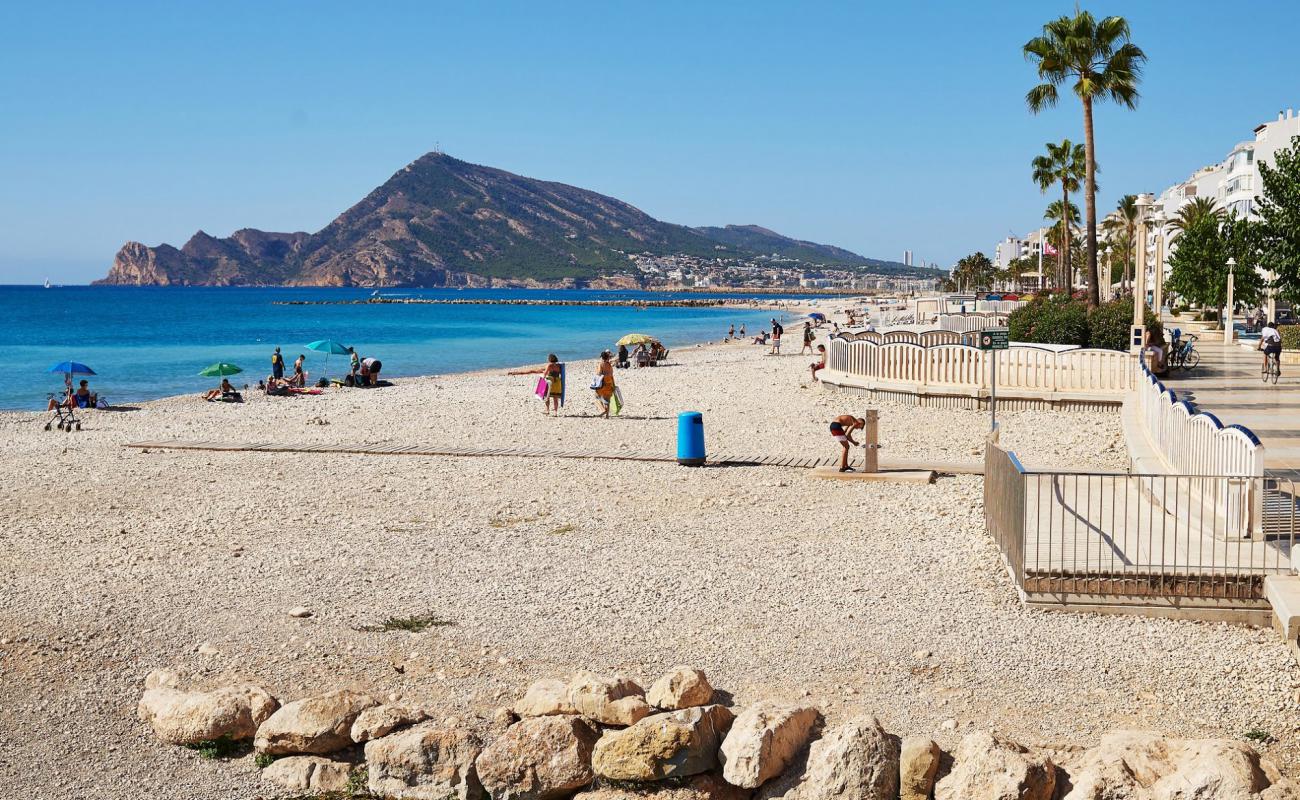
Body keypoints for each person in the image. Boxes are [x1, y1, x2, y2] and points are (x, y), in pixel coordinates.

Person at [593, 350, 616, 417]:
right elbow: (611, 374)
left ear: (602, 358)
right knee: (607, 400)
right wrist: (613, 384)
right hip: (610, 382)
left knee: (597, 397)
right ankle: (607, 415)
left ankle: (602, 410)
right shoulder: (609, 364)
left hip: (603, 383)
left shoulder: (601, 364)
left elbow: (599, 373)